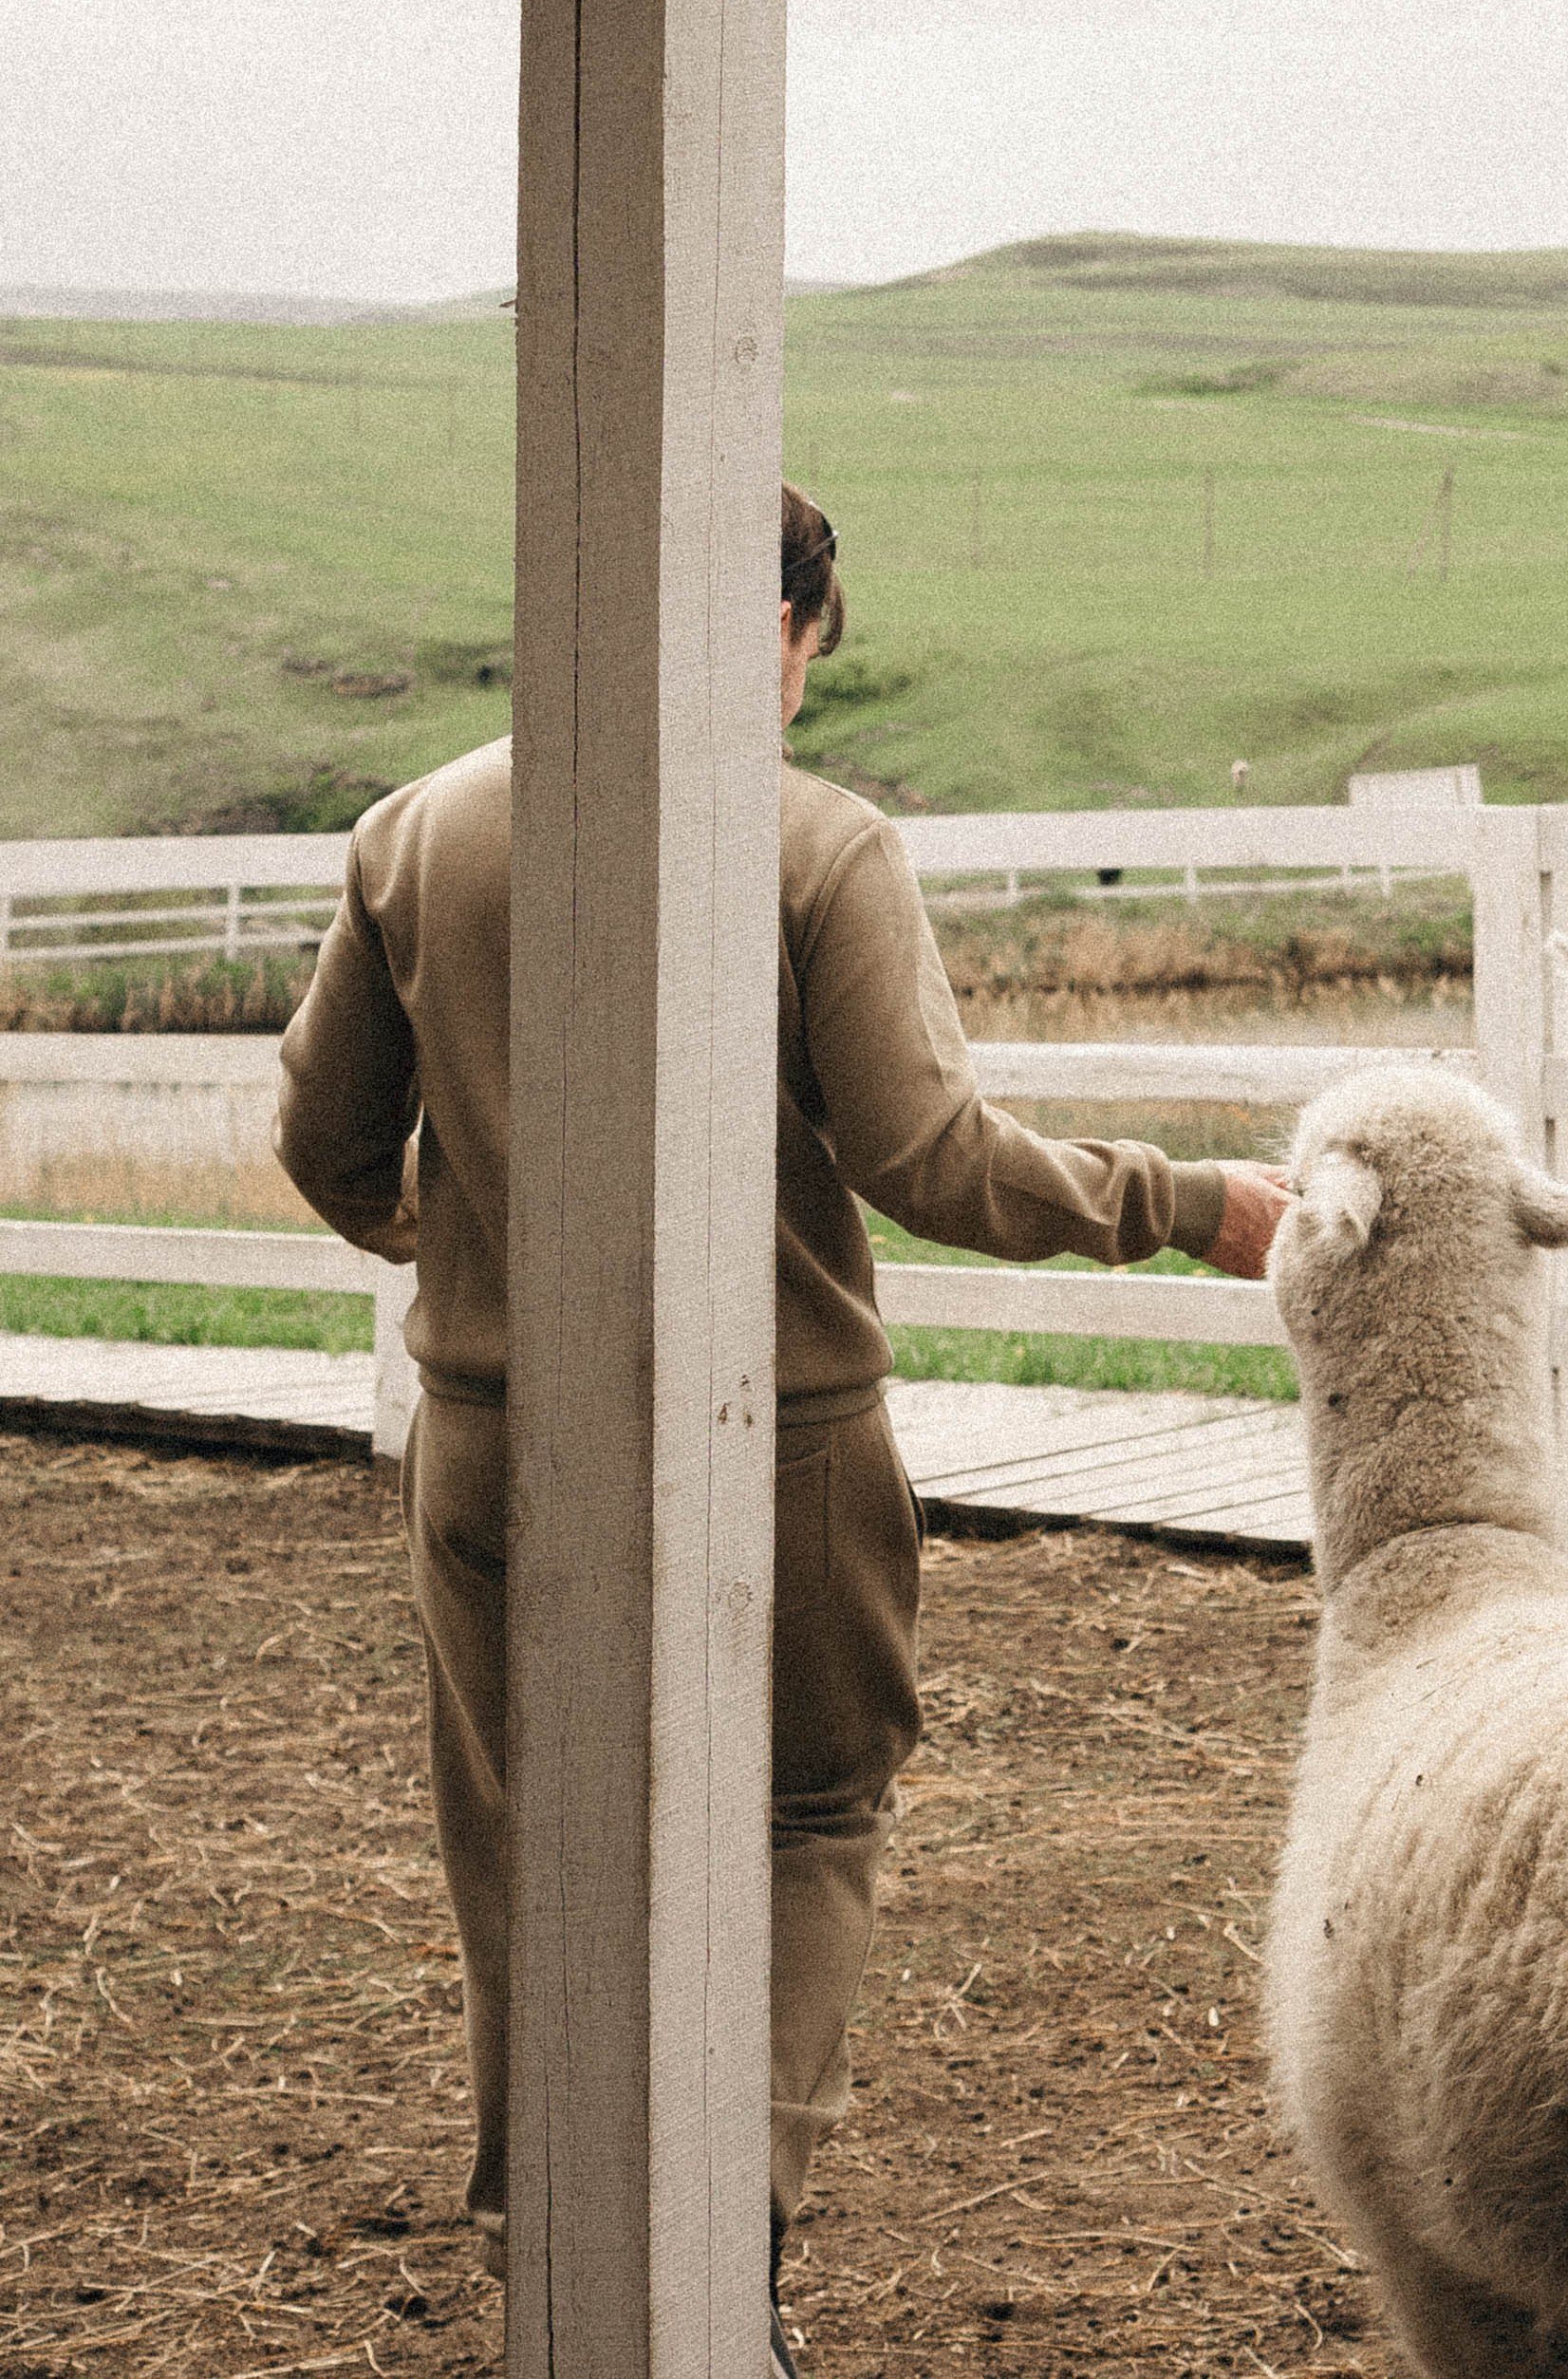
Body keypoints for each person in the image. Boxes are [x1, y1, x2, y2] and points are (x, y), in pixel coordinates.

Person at [272, 484, 1292, 2359]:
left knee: (523, 1837)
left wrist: (466, 1253)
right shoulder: (817, 846)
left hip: (491, 1432)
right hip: (784, 1435)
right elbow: (925, 1158)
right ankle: (724, 2239)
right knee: (808, 1811)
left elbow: (324, 1142)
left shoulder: (413, 831)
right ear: (799, 627)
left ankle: (559, 2261)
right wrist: (1188, 1201)